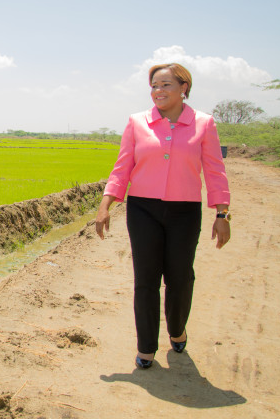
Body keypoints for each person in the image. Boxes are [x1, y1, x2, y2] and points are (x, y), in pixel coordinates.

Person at [95, 63, 231, 369]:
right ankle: (146, 347)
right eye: (154, 85)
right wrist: (105, 205)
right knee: (146, 279)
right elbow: (122, 167)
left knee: (180, 277)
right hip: (143, 210)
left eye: (165, 85)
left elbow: (215, 171)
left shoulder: (203, 124)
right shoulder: (137, 122)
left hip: (185, 211)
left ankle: (177, 328)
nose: (158, 91)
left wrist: (223, 214)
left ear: (184, 88)